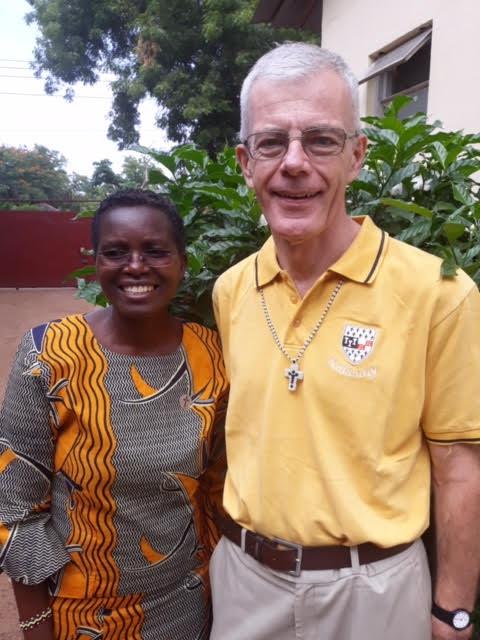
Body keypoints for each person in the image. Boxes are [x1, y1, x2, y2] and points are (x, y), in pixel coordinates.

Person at [210, 43, 480, 640]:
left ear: (357, 156)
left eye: (322, 140)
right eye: (272, 142)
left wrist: (453, 611)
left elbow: (459, 467)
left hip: (376, 594)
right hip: (244, 581)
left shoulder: (440, 293)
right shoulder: (231, 290)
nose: (295, 163)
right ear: (244, 163)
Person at [0, 189, 228, 640]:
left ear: (182, 262)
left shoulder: (211, 354)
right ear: (97, 262)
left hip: (190, 604)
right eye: (116, 252)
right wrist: (35, 628)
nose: (136, 266)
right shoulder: (49, 355)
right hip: (82, 617)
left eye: (155, 251)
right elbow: (15, 510)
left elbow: (217, 491)